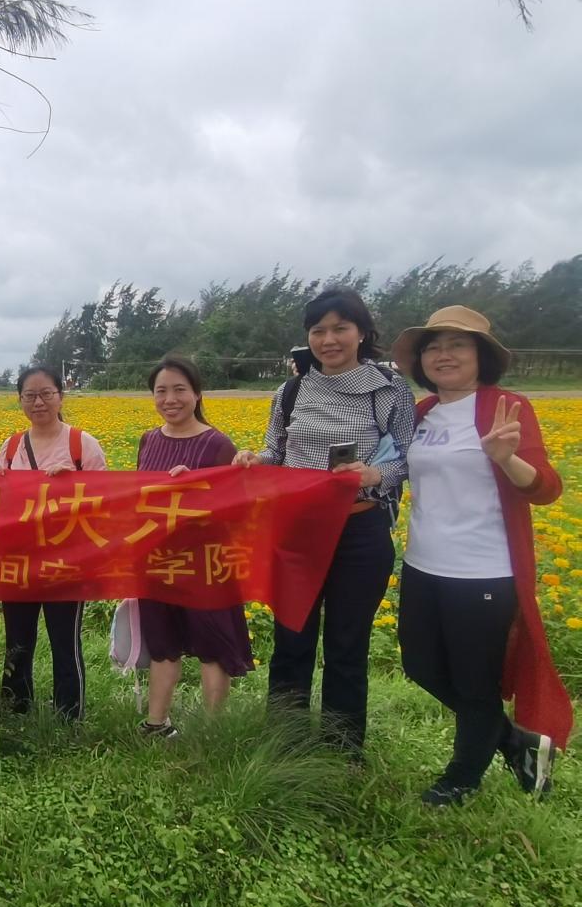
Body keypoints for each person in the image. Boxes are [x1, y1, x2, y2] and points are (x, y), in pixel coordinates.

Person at [391, 307, 571, 805]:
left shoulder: (505, 407)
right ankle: (515, 743)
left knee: (474, 683)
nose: (443, 355)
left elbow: (547, 489)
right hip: (423, 562)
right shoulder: (422, 413)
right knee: (420, 665)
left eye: (457, 345)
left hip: (483, 571)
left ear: (481, 356)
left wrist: (507, 460)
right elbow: (394, 468)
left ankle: (462, 778)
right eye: (433, 346)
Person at [233, 287, 415, 757]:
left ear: (362, 333)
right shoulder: (291, 391)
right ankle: (285, 743)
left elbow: (410, 457)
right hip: (297, 530)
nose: (328, 339)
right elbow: (276, 450)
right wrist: (256, 459)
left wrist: (375, 474)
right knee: (291, 638)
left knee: (347, 646)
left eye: (340, 328)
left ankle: (342, 751)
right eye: (318, 330)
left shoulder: (389, 389)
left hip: (360, 530)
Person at [136, 356, 252, 736]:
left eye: (179, 390)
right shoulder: (149, 440)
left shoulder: (217, 443)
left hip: (206, 562)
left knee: (212, 645)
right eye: (161, 391)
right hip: (158, 558)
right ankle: (156, 723)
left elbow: (236, 508)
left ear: (197, 394)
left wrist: (197, 490)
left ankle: (211, 732)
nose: (170, 399)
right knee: (162, 643)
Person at [0, 366, 107, 721]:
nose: (38, 402)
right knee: (17, 640)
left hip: (67, 559)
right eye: (29, 396)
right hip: (19, 559)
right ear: (20, 401)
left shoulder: (82, 444)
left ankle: (68, 716)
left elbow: (107, 502)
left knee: (64, 640)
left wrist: (74, 485)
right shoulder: (11, 446)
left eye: (46, 394)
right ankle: (15, 711)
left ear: (61, 396)